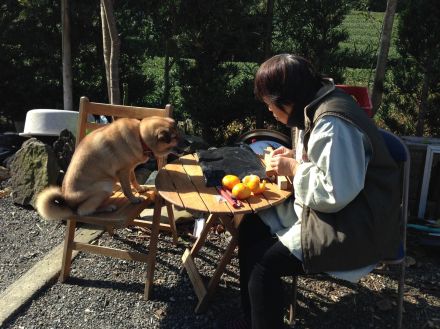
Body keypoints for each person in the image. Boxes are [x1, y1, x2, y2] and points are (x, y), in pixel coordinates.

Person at [233, 54, 401, 329]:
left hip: (357, 225)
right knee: (251, 226)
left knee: (264, 265)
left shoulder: (332, 123)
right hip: (343, 210)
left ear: (286, 99)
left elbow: (335, 192)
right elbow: (331, 160)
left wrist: (295, 168)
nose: (270, 113)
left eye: (270, 105)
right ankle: (254, 317)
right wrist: (294, 155)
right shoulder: (320, 102)